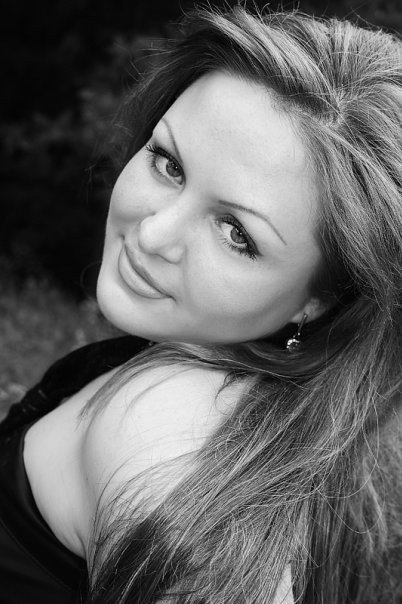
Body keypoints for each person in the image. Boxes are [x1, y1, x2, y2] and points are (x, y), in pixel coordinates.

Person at [1, 5, 401, 603]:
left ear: (319, 301)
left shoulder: (163, 432)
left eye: (236, 233)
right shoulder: (277, 420)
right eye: (169, 165)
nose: (152, 233)